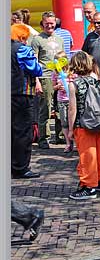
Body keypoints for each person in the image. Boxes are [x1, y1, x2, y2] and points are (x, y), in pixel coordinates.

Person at [67, 51, 100, 200]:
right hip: (97, 121)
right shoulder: (95, 81)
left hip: (83, 123)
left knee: (87, 155)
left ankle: (88, 186)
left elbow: (72, 109)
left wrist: (70, 129)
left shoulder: (74, 84)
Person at [11, 23, 43, 179]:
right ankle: (21, 168)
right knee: (23, 132)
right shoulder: (21, 49)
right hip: (22, 94)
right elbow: (35, 69)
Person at [30, 11, 64, 149]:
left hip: (59, 76)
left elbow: (63, 59)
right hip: (45, 77)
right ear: (42, 23)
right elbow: (34, 61)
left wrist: (64, 76)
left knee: (60, 106)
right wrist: (36, 80)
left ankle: (61, 135)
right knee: (46, 108)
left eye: (52, 23)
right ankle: (44, 138)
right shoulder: (37, 39)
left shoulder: (59, 39)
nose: (50, 25)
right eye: (47, 23)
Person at [51, 51, 75, 154]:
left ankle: (76, 142)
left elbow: (76, 83)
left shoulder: (72, 71)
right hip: (61, 100)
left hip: (71, 100)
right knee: (64, 122)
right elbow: (53, 86)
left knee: (73, 122)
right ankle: (68, 143)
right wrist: (58, 87)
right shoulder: (55, 73)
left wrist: (70, 86)